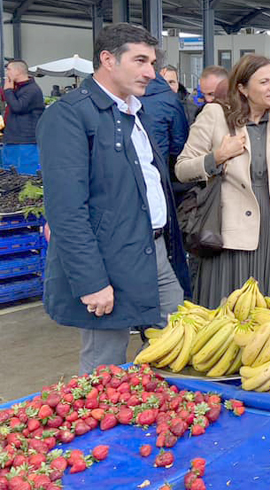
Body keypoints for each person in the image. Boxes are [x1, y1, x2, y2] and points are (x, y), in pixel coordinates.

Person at [36, 23, 190, 374]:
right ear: (108, 59)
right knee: (106, 366)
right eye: (140, 61)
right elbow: (65, 210)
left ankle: (160, 420)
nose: (150, 73)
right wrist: (92, 282)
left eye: (152, 62)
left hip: (155, 253)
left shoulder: (135, 113)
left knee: (179, 344)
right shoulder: (70, 115)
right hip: (108, 261)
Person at [175, 54, 270, 307]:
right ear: (242, 88)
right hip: (231, 235)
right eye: (264, 82)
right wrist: (217, 157)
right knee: (230, 313)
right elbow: (182, 169)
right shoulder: (216, 116)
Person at [140, 59, 189, 166]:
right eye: (166, 82)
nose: (169, 87)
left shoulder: (129, 92)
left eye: (172, 82)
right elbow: (179, 142)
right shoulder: (171, 101)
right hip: (161, 166)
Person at [2, 59, 44, 170]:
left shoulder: (32, 90)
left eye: (9, 70)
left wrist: (8, 91)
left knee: (27, 174)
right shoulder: (16, 88)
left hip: (26, 141)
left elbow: (18, 107)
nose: (7, 73)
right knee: (9, 173)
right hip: (12, 139)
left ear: (18, 71)